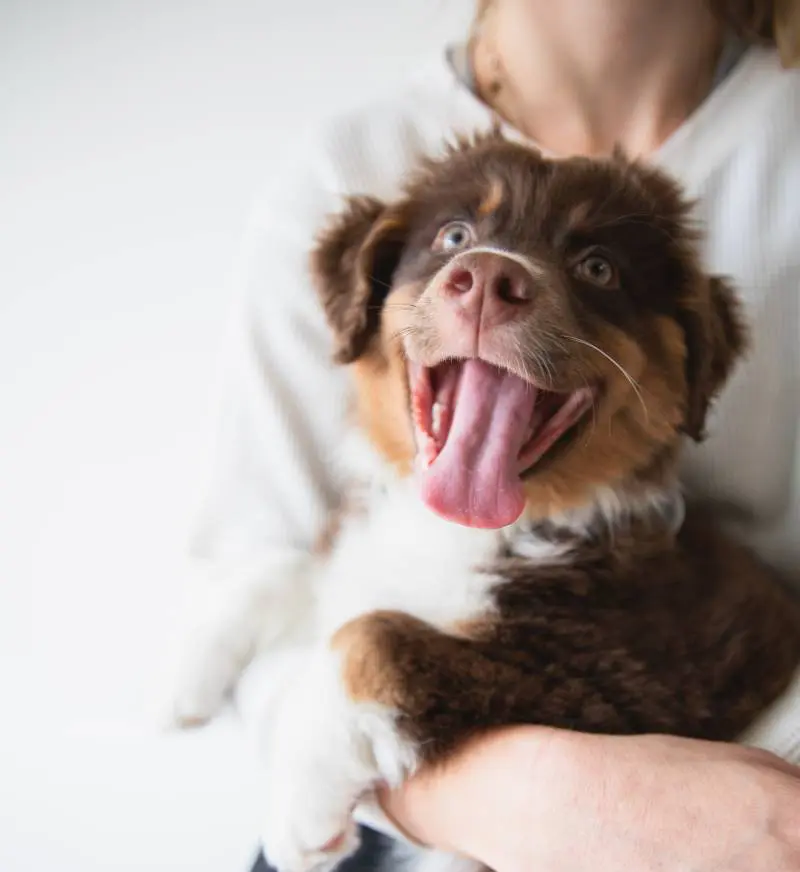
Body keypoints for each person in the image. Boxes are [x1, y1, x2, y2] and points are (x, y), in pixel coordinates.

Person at [189, 2, 800, 870]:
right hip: (378, 796)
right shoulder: (344, 163)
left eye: (595, 269)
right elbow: (248, 578)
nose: (489, 278)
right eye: (456, 241)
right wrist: (543, 795)